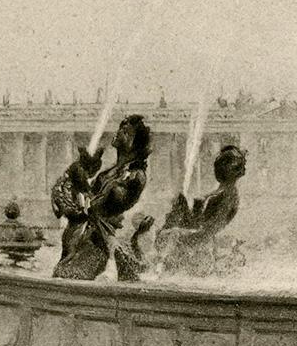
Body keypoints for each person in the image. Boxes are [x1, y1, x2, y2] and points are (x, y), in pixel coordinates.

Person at [51, 114, 150, 281]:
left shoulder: (136, 176)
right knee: (61, 273)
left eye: (124, 132)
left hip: (97, 242)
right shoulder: (109, 172)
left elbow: (115, 203)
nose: (117, 133)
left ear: (134, 142)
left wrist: (92, 200)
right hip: (79, 234)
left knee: (69, 278)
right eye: (120, 129)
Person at [160, 143, 248, 275]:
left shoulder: (228, 194)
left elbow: (210, 229)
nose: (217, 167)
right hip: (198, 247)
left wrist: (180, 235)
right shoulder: (223, 191)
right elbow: (202, 222)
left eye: (222, 163)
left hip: (199, 252)